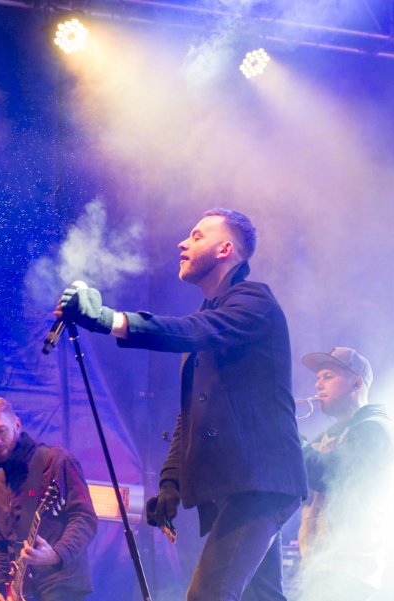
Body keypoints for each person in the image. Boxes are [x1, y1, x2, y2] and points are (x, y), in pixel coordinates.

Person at [57, 208, 308, 601]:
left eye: (196, 236)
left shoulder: (253, 301)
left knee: (208, 596)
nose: (182, 243)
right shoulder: (209, 318)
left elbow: (194, 331)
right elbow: (190, 416)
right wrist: (171, 484)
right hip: (239, 486)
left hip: (260, 482)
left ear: (225, 249)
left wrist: (110, 320)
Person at [295, 347, 394, 601]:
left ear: (357, 383)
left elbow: (330, 474)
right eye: (318, 378)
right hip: (323, 567)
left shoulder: (374, 429)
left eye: (328, 376)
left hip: (348, 569)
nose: (318, 385)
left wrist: (289, 434)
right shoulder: (331, 435)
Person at [0, 396, 98, 601]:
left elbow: (84, 518)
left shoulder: (55, 461)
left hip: (61, 585)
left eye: (0, 430)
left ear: (17, 425)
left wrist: (57, 554)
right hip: (23, 591)